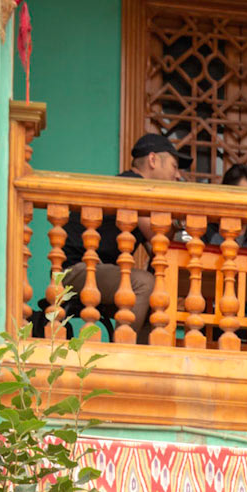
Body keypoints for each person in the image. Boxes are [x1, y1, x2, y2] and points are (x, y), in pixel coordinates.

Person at [60, 131, 187, 337]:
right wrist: (181, 221)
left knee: (158, 294)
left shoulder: (133, 186)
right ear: (153, 160)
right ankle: (121, 351)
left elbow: (159, 250)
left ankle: (143, 361)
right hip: (75, 270)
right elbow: (159, 239)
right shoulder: (135, 186)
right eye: (174, 166)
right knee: (144, 284)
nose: (178, 175)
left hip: (95, 269)